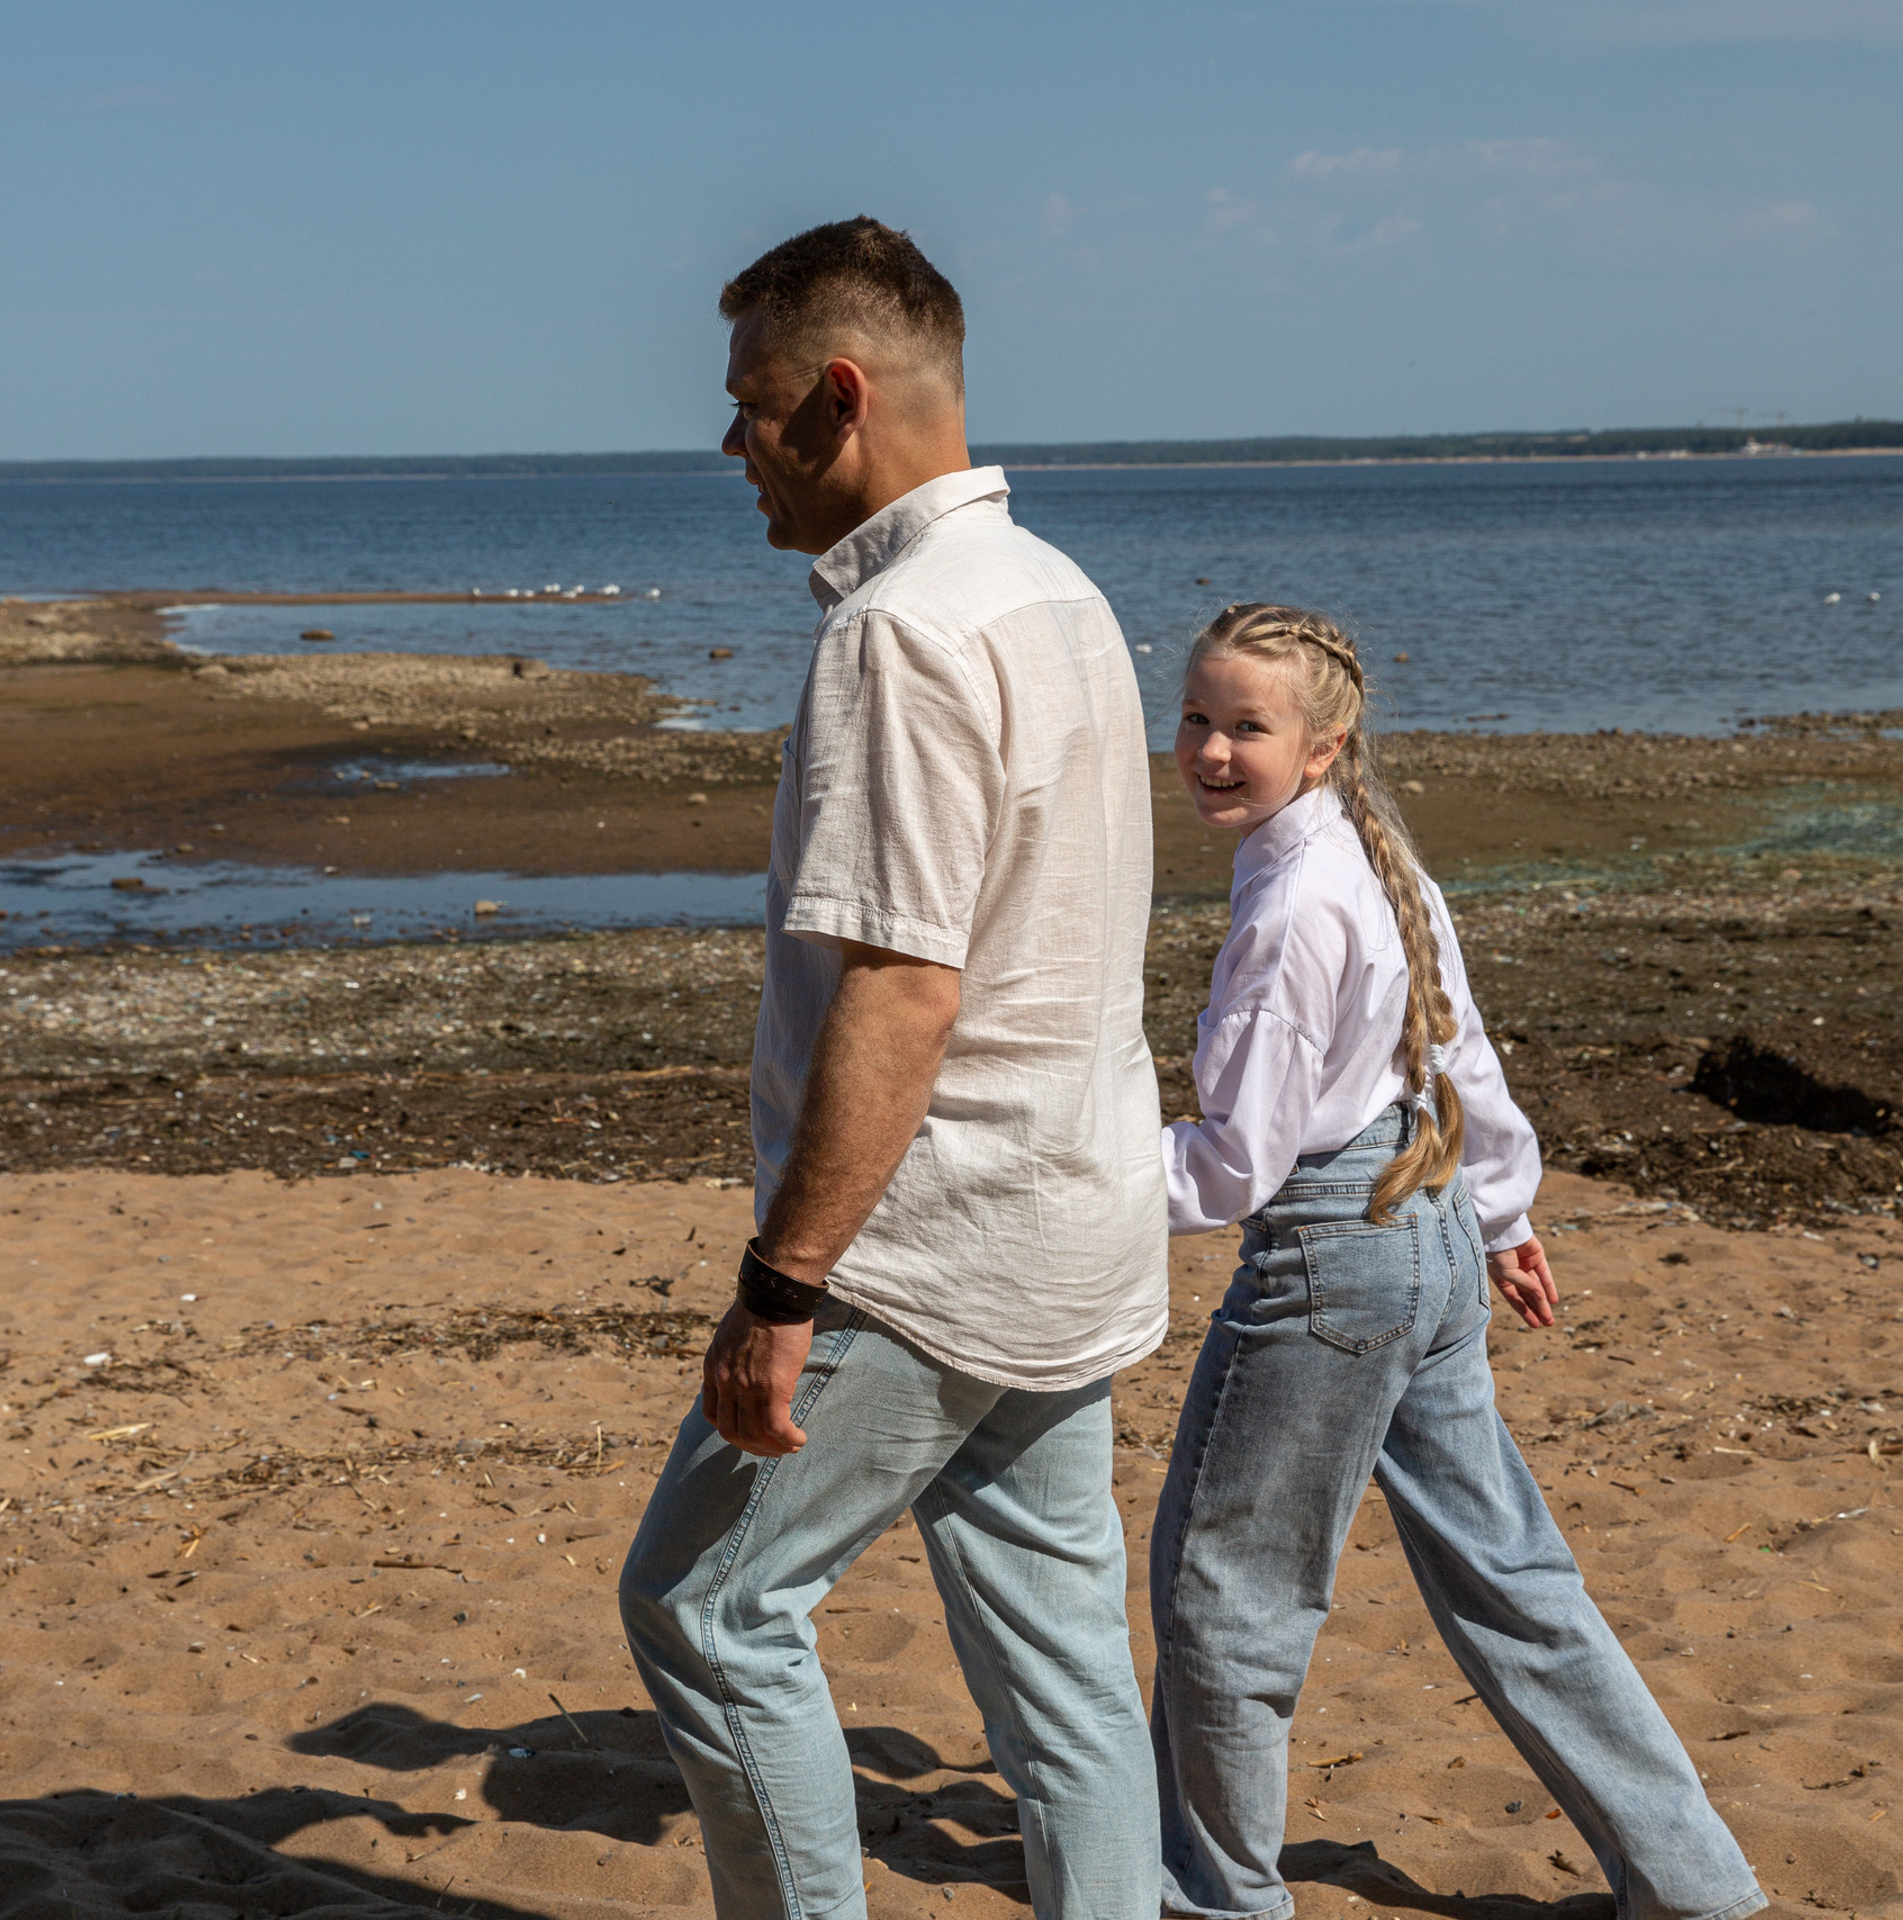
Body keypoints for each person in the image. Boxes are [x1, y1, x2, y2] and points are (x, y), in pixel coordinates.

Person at [618, 217, 1167, 1920]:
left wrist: (781, 1285)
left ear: (836, 397)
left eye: (750, 402)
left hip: (929, 1251)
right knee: (1065, 1670)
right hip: (1075, 1219)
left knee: (706, 1611)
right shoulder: (1053, 587)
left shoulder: (904, 631)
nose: (731, 442)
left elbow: (904, 989)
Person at [1149, 604, 1766, 1920]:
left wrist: (1071, 1188)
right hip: (1424, 1239)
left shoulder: (1288, 912)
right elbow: (1457, 1041)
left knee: (1227, 1597)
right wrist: (1501, 1212)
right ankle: (1696, 1887)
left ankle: (1215, 1903)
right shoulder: (1377, 859)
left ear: (1323, 744)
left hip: (1331, 1263)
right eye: (1196, 717)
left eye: (1244, 726)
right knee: (1517, 1580)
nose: (1207, 749)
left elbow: (1233, 1166)